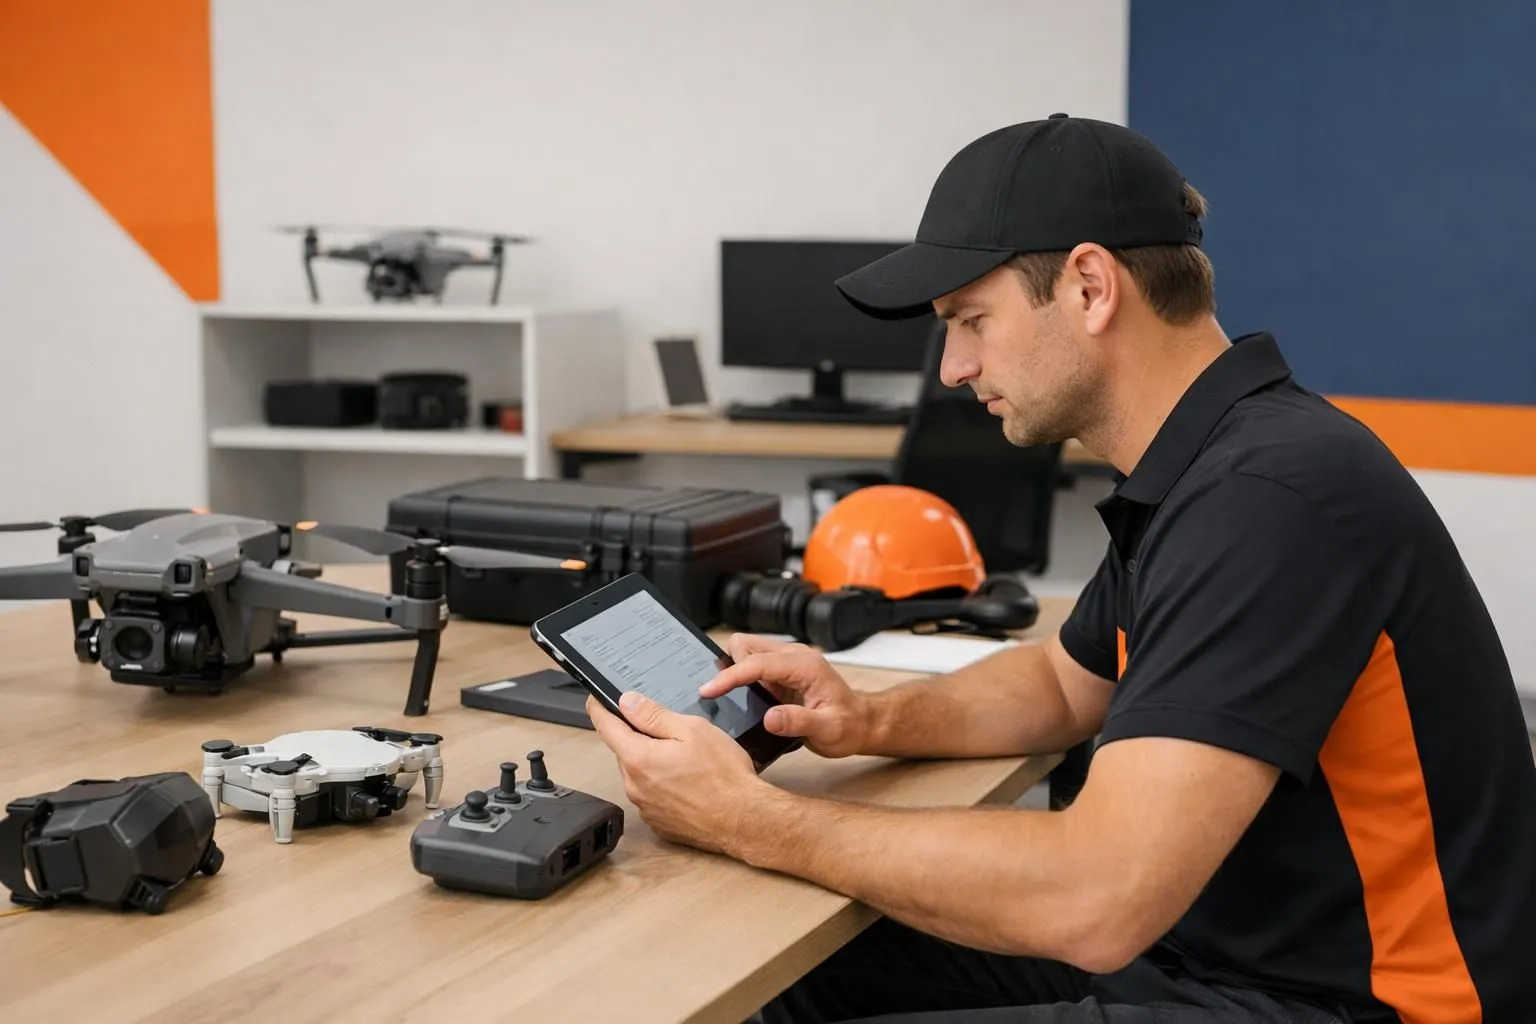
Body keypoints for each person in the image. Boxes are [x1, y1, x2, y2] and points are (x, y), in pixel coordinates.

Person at [584, 113, 1536, 1023]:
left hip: (1341, 1002)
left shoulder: (1270, 497)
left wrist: (752, 819)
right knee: (800, 975)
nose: (953, 367)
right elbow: (1062, 679)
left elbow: (1099, 895)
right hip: (1211, 951)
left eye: (970, 320)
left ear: (1089, 287)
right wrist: (862, 717)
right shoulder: (1203, 463)